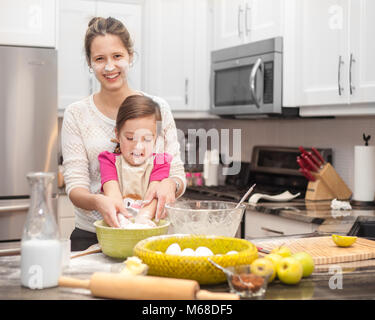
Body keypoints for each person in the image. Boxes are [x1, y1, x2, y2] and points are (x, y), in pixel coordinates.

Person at [61, 17, 186, 251]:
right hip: (92, 235)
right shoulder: (76, 114)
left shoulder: (158, 109)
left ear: (130, 56)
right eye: (100, 59)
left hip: (150, 236)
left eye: (117, 56)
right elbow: (75, 188)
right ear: (90, 62)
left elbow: (177, 174)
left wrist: (171, 184)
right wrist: (99, 201)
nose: (110, 67)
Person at [98, 95, 172, 228]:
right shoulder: (108, 161)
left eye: (147, 139)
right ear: (117, 134)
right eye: (131, 138)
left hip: (149, 231)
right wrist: (123, 220)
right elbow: (113, 195)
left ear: (156, 138)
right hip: (119, 229)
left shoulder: (161, 162)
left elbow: (153, 196)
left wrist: (142, 221)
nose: (138, 146)